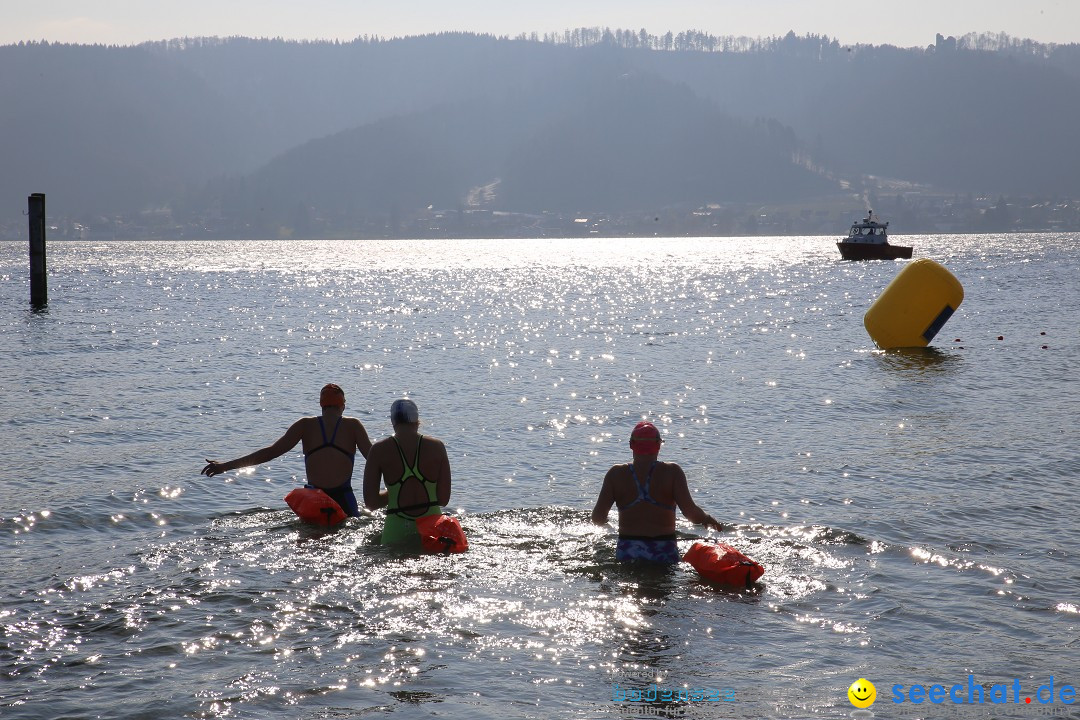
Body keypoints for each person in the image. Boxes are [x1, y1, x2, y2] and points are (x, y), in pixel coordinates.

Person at [201, 384, 372, 516]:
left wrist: (224, 466)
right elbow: (374, 459)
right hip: (343, 499)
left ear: (321, 405)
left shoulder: (305, 425)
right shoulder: (353, 426)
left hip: (313, 500)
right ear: (343, 406)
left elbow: (270, 452)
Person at [591, 421, 723, 563]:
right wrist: (706, 518)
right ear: (659, 445)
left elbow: (597, 518)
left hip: (628, 551)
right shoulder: (672, 472)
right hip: (664, 552)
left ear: (631, 445)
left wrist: (606, 520)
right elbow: (691, 514)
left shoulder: (615, 474)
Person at [363, 399, 452, 545]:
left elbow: (371, 503)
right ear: (417, 421)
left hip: (396, 529)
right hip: (432, 528)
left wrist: (394, 493)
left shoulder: (379, 450)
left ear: (393, 422)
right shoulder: (437, 447)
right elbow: (443, 499)